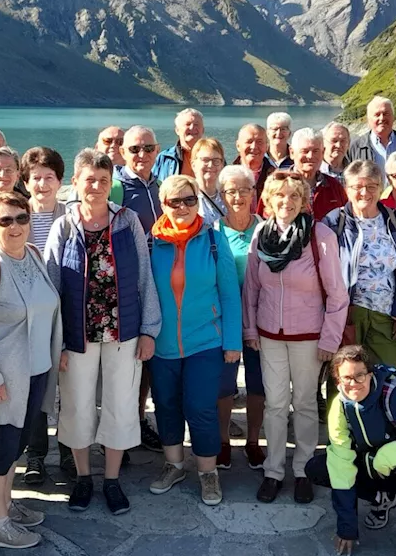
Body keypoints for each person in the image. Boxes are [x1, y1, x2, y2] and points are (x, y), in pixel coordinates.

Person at [45, 149, 161, 515]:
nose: (95, 186)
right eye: (89, 180)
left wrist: (148, 330)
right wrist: (56, 341)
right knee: (77, 405)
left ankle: (111, 479)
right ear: (75, 183)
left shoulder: (127, 222)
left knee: (121, 404)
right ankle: (83, 477)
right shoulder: (64, 226)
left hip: (122, 330)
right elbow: (51, 283)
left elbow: (145, 278)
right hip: (77, 334)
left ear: (111, 185)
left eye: (103, 181)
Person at [0, 192, 62, 548]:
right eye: (6, 220)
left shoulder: (32, 254)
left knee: (14, 446)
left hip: (34, 373)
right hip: (3, 379)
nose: (16, 226)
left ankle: (5, 505)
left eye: (22, 218)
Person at [244, 174, 348, 504]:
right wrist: (250, 329)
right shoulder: (262, 234)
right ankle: (274, 471)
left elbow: (337, 294)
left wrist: (330, 340)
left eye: (293, 197)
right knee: (275, 404)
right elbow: (252, 288)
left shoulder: (320, 236)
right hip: (269, 335)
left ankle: (302, 469)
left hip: (309, 336)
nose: (286, 202)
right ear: (269, 201)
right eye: (279, 196)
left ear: (304, 201)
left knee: (303, 403)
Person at [146, 175, 242, 505]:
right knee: (167, 406)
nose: (184, 207)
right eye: (175, 201)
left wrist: (232, 341)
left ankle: (207, 472)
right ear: (163, 205)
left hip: (206, 342)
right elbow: (144, 295)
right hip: (162, 345)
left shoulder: (214, 240)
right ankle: (173, 465)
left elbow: (230, 294)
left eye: (189, 200)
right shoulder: (151, 242)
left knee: (200, 408)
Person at [306, 346, 396, 556]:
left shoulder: (391, 394)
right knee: (319, 467)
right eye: (347, 378)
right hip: (373, 466)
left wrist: (384, 457)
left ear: (370, 374)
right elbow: (341, 464)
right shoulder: (340, 407)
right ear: (337, 380)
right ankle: (382, 500)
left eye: (360, 375)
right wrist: (347, 528)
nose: (354, 384)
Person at [322, 160, 396, 369]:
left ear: (381, 188)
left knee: (385, 377)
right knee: (346, 378)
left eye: (371, 186)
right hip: (348, 315)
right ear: (346, 189)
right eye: (357, 186)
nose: (364, 192)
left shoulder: (394, 220)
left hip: (386, 315)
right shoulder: (334, 222)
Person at [20, 147, 72, 484]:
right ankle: (36, 455)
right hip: (28, 316)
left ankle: (69, 449)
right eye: (35, 178)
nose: (42, 184)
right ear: (25, 182)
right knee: (36, 386)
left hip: (68, 312)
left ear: (60, 181)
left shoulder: (72, 216)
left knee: (69, 385)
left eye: (48, 177)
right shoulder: (15, 215)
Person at [217, 165, 266, 471]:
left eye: (243, 190)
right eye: (231, 191)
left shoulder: (265, 228)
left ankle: (252, 441)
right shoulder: (213, 232)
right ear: (222, 196)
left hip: (261, 318)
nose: (237, 196)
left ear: (254, 193)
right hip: (225, 319)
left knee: (258, 383)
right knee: (224, 383)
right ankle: (222, 442)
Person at [256, 128, 347, 221]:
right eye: (305, 151)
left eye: (315, 151)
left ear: (323, 152)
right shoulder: (275, 185)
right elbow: (262, 222)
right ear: (292, 152)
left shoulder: (334, 186)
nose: (310, 156)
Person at [115, 125, 164, 238]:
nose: (142, 155)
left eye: (149, 148)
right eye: (134, 149)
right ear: (122, 152)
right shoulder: (112, 189)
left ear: (157, 150)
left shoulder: (160, 186)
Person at [345, 96, 396, 165]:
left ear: (393, 117)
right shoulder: (354, 148)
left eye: (386, 114)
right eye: (377, 115)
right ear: (368, 119)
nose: (382, 118)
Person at [152, 108, 205, 181]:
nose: (192, 127)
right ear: (177, 130)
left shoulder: (215, 158)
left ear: (203, 130)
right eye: (188, 124)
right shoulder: (164, 158)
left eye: (196, 124)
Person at [190, 137, 228, 225]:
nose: (211, 165)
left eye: (216, 161)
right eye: (205, 160)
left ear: (222, 165)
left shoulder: (228, 196)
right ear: (193, 165)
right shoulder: (187, 197)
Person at [235, 122, 277, 201]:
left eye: (259, 142)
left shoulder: (276, 177)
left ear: (266, 147)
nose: (254, 147)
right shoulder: (227, 175)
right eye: (249, 141)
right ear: (238, 146)